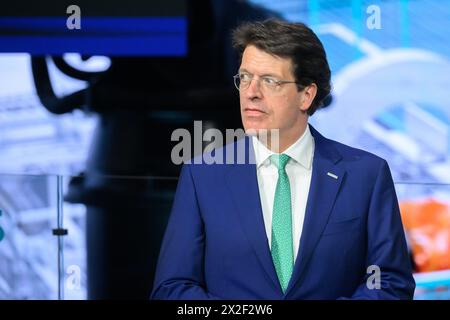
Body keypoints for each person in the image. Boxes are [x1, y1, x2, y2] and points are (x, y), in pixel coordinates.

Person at [151, 19, 415, 299]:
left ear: (306, 95)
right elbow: (173, 289)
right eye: (244, 77)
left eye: (269, 81)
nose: (251, 92)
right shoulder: (203, 175)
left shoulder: (366, 175)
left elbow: (388, 284)